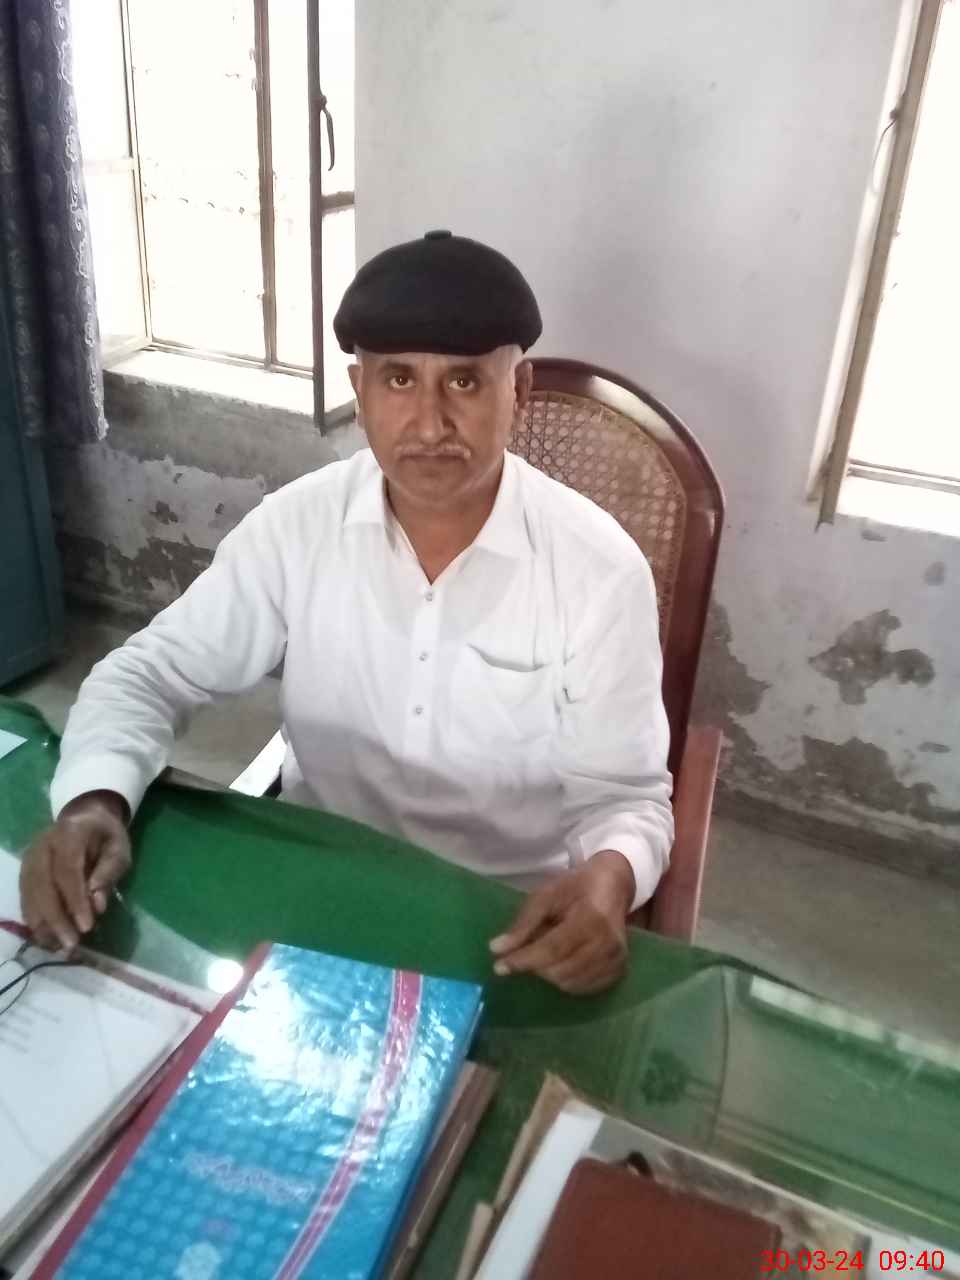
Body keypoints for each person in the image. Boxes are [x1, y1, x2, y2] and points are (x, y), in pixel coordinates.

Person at [19, 231, 673, 994]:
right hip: (317, 899)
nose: (429, 424)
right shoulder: (298, 527)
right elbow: (148, 675)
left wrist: (609, 880)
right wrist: (93, 802)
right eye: (398, 380)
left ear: (519, 391)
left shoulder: (598, 570)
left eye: (465, 383)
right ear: (360, 392)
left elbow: (625, 800)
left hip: (506, 926)